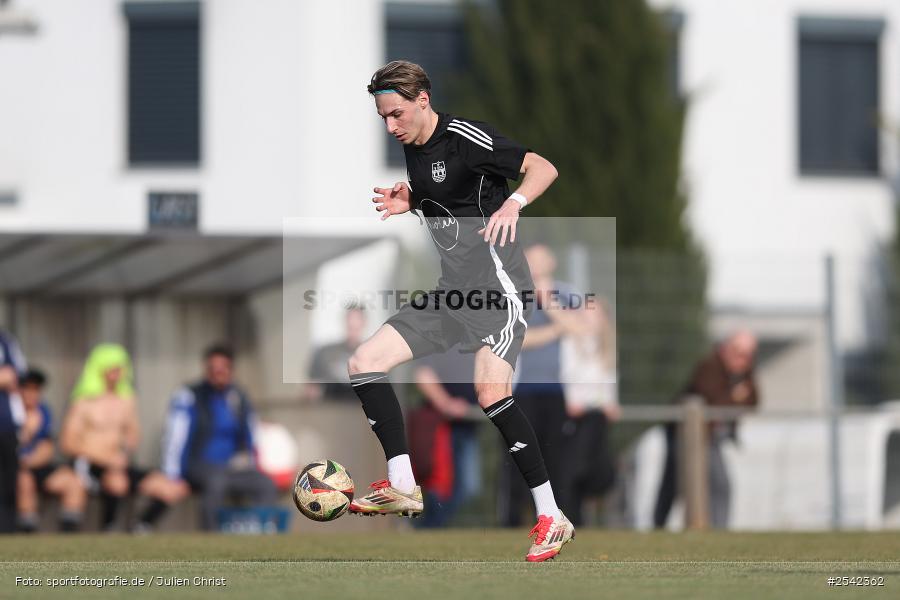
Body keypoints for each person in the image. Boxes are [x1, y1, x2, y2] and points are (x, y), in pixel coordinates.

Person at [346, 60, 571, 562]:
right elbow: (451, 197)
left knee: (490, 392)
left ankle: (551, 515)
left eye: (397, 114)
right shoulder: (413, 149)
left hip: (499, 292)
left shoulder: (465, 136)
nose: (391, 126)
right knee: (364, 362)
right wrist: (413, 199)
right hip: (453, 294)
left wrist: (513, 202)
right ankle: (403, 483)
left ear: (423, 101)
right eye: (383, 117)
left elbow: (544, 168)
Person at [141, 344, 276, 531]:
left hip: (231, 467)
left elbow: (250, 435)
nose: (218, 373)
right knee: (216, 481)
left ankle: (258, 531)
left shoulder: (239, 397)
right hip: (198, 466)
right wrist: (172, 474)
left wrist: (251, 462)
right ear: (206, 369)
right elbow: (175, 437)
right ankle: (211, 535)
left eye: (223, 368)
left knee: (265, 484)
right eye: (213, 368)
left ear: (231, 370)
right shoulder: (189, 395)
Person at [500, 244, 583, 527]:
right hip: (522, 390)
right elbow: (518, 338)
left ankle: (556, 516)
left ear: (551, 262)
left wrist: (548, 301)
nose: (534, 265)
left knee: (555, 457)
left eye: (539, 260)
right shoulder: (514, 293)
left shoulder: (566, 292)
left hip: (557, 391)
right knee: (518, 454)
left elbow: (579, 328)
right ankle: (512, 519)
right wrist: (557, 328)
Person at [61, 344, 185, 530]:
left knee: (173, 488)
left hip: (118, 465)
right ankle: (108, 529)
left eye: (120, 367)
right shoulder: (84, 402)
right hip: (89, 465)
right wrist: (104, 458)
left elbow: (133, 433)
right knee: (116, 482)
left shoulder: (127, 400)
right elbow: (68, 443)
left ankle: (141, 527)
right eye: (112, 367)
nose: (117, 372)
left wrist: (123, 452)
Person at [653, 330, 759, 529]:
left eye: (747, 355)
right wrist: (735, 396)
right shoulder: (709, 366)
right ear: (726, 349)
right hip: (686, 434)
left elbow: (753, 399)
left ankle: (716, 528)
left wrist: (737, 395)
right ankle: (660, 525)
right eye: (738, 352)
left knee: (717, 484)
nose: (742, 359)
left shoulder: (742, 372)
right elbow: (709, 404)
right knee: (676, 482)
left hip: (709, 437)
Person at [558, 297, 620, 525]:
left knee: (595, 469)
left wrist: (610, 403)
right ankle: (572, 520)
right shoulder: (570, 343)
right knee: (573, 469)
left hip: (597, 415)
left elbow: (608, 379)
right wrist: (573, 401)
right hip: (577, 415)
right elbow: (567, 375)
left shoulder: (606, 346)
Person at [412, 348, 480, 527]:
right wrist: (446, 404)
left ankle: (428, 527)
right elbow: (422, 374)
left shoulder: (476, 338)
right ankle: (427, 529)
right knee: (439, 485)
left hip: (468, 425)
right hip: (440, 424)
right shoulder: (439, 337)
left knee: (468, 487)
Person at [15, 369, 87, 532]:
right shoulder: (9, 412)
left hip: (36, 465)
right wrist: (26, 432)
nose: (31, 394)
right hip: (15, 469)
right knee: (24, 480)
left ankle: (68, 535)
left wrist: (32, 460)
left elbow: (47, 448)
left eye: (36, 389)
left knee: (74, 482)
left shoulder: (44, 411)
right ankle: (27, 534)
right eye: (27, 388)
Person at [307, 305, 367, 402]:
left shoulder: (373, 355)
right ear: (345, 321)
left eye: (357, 319)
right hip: (330, 409)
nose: (353, 323)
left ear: (364, 322)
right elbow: (311, 388)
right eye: (350, 319)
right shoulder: (325, 352)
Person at [0, 329, 27, 533]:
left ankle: (7, 530)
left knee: (10, 481)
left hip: (7, 426)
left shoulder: (6, 340)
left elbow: (17, 375)